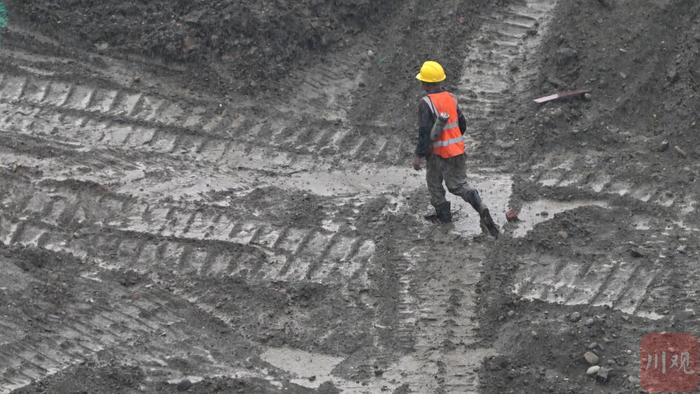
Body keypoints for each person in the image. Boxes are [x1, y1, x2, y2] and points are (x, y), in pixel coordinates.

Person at [412, 60, 499, 238]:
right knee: (458, 185)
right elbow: (462, 125)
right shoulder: (451, 98)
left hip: (437, 154)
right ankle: (478, 204)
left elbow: (424, 133)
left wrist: (419, 156)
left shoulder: (426, 103)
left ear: (426, 83)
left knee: (434, 184)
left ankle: (444, 219)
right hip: (458, 152)